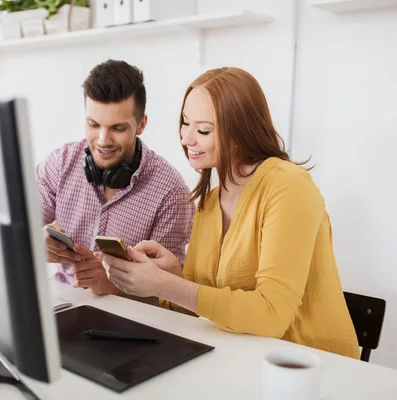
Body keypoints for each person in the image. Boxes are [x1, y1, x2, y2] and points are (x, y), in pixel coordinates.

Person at [98, 67, 360, 358]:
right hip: (242, 358)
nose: (186, 139)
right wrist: (172, 274)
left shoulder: (288, 187)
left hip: (310, 366)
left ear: (241, 131)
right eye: (185, 123)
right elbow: (203, 307)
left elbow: (272, 314)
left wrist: (167, 285)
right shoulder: (209, 201)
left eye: (203, 130)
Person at [37, 59, 194, 296]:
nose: (102, 140)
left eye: (117, 128)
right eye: (93, 124)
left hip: (130, 321)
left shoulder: (170, 190)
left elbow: (171, 298)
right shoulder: (60, 164)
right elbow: (14, 237)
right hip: (63, 300)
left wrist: (111, 287)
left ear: (141, 125)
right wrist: (36, 242)